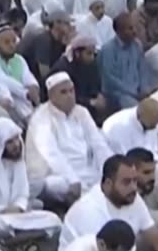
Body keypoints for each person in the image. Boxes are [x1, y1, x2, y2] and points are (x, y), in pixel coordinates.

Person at [59, 154, 158, 251]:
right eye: (126, 182)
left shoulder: (131, 198)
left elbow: (157, 238)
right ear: (108, 184)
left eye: (135, 181)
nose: (134, 187)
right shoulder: (90, 211)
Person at [27, 72, 114, 205]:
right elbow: (51, 154)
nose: (69, 96)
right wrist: (72, 179)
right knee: (54, 185)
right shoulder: (41, 118)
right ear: (51, 96)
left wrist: (112, 170)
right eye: (63, 92)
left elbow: (98, 143)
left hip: (87, 170)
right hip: (57, 174)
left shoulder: (81, 112)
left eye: (71, 91)